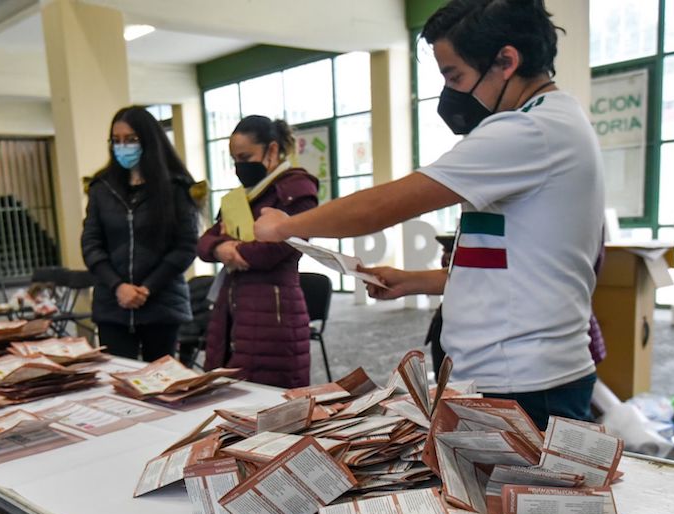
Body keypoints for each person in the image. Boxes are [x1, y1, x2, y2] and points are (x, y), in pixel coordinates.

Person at [254, 0, 604, 429]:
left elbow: (384, 205)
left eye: (455, 76)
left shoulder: (529, 130)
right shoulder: (551, 122)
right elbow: (518, 265)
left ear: (506, 62)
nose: (451, 92)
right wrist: (414, 281)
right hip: (517, 374)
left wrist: (286, 225)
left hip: (525, 383)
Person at [197, 116, 319, 388]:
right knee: (225, 394)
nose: (239, 167)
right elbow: (204, 242)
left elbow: (276, 248)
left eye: (245, 157)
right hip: (231, 309)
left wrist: (232, 249)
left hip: (275, 312)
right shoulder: (239, 197)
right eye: (234, 159)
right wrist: (220, 248)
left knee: (270, 397)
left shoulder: (296, 190)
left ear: (272, 150)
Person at [81, 106, 199, 361]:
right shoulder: (101, 188)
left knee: (161, 378)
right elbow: (91, 243)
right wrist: (118, 286)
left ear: (148, 140)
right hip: (113, 305)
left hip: (162, 303)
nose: (123, 147)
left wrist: (147, 288)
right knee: (117, 375)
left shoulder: (176, 187)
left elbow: (186, 246)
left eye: (131, 139)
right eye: (116, 140)